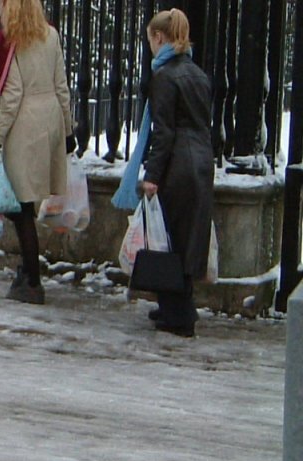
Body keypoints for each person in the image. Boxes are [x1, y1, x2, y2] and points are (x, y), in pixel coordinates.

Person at [113, 9, 213, 339]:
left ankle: (178, 314)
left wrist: (152, 175)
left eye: (150, 41)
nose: (150, 48)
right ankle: (178, 307)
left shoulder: (165, 77)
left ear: (159, 37)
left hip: (177, 164)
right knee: (186, 239)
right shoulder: (197, 73)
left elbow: (164, 132)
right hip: (200, 161)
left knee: (167, 241)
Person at [0, 0, 75, 305]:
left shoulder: (8, 41)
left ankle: (32, 281)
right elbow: (62, 86)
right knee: (26, 203)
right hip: (50, 119)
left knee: (20, 208)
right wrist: (68, 129)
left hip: (25, 125)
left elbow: (12, 97)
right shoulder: (51, 35)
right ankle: (28, 273)